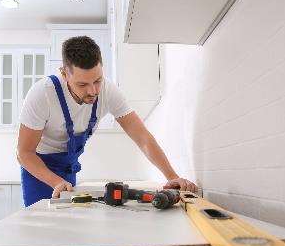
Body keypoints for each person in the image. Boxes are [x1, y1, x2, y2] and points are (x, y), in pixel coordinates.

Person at [17, 36, 198, 207]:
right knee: (40, 230)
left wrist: (172, 176)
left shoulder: (108, 92)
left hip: (68, 170)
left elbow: (143, 138)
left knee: (67, 228)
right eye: (82, 84)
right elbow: (24, 153)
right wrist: (55, 181)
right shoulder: (42, 94)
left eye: (97, 80)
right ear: (64, 74)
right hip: (37, 169)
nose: (93, 91)